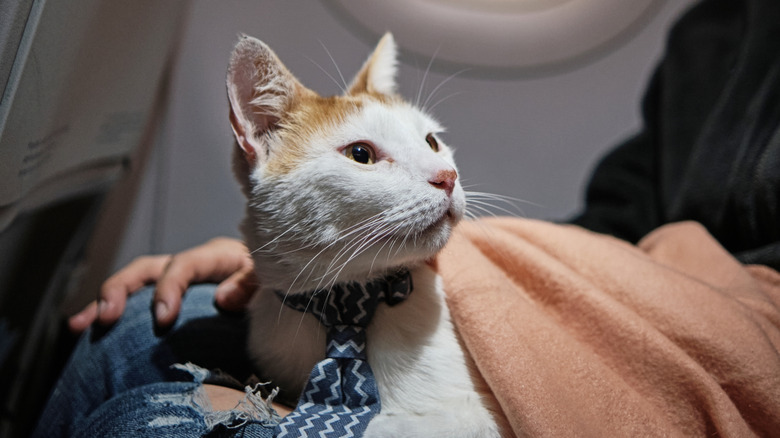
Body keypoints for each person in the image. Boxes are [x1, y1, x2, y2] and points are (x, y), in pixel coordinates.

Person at [35, 0, 780, 435]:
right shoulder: (717, 28)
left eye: (432, 142)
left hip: (726, 298)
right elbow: (611, 220)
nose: (445, 169)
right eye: (367, 153)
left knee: (144, 416)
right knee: (125, 329)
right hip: (582, 267)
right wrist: (283, 254)